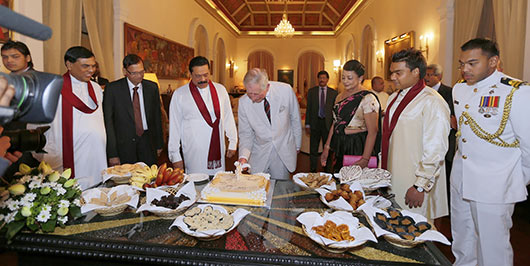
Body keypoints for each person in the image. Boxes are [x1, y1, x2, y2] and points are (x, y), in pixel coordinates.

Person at [451, 38, 530, 266]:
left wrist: (513, 180)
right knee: (463, 241)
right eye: (462, 63)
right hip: (461, 178)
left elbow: (527, 144)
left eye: (472, 63)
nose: (465, 69)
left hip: (495, 182)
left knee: (492, 248)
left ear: (493, 61)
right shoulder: (459, 89)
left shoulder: (516, 92)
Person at [382, 48, 449, 220]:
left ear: (416, 72)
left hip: (413, 178)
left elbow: (436, 148)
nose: (392, 77)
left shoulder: (432, 101)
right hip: (392, 174)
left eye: (398, 73)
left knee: (414, 230)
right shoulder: (393, 98)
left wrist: (420, 186)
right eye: (392, 73)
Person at [29, 46, 107, 190]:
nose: (91, 70)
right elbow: (34, 127)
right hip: (68, 156)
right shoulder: (51, 88)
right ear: (69, 65)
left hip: (97, 155)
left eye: (93, 66)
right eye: (85, 66)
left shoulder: (96, 88)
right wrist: (46, 154)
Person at [168, 56, 237, 175]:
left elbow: (228, 117)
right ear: (190, 74)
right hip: (194, 151)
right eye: (198, 76)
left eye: (206, 74)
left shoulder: (220, 90)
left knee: (218, 184)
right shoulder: (180, 94)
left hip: (218, 149)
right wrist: (175, 156)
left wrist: (232, 141)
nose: (203, 79)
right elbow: (174, 127)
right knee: (196, 186)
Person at [238, 68, 301, 180]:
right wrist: (243, 157)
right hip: (259, 153)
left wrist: (297, 145)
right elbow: (245, 134)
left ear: (267, 87)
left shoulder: (285, 91)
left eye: (256, 94)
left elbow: (295, 118)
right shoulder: (243, 103)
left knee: (281, 192)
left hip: (283, 151)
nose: (252, 98)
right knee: (257, 190)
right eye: (249, 93)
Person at [320, 60, 381, 173]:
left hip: (357, 144)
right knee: (338, 180)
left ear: (360, 78)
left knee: (354, 183)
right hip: (339, 143)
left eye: (349, 78)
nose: (345, 81)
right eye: (343, 78)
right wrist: (327, 147)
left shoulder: (367, 98)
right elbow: (335, 123)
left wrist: (365, 159)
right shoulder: (339, 97)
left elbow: (373, 131)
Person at [103, 54, 163, 167]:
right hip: (124, 145)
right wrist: (112, 153)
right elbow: (109, 123)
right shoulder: (113, 89)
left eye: (141, 72)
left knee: (149, 179)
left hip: (148, 143)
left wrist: (159, 144)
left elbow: (157, 117)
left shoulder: (152, 87)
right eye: (134, 73)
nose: (139, 76)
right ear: (125, 71)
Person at [425, 63, 456, 203]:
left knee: (446, 174)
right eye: (425, 74)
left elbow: (453, 116)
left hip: (447, 139)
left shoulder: (450, 92)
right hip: (427, 139)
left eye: (429, 75)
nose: (426, 78)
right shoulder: (423, 93)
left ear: (439, 76)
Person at [305, 70, 337, 172]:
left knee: (327, 148)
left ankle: (327, 171)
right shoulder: (311, 91)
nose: (322, 80)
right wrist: (307, 124)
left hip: (328, 124)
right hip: (315, 123)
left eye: (324, 78)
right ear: (318, 79)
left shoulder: (334, 93)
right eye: (320, 78)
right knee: (313, 149)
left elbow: (335, 111)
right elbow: (308, 108)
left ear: (327, 79)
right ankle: (313, 170)